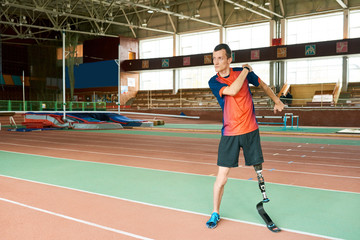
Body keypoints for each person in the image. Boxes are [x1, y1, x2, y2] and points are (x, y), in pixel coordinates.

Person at [206, 43, 285, 229]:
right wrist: (246, 70)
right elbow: (232, 91)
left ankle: (264, 197)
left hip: (250, 130)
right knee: (222, 177)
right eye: (214, 58)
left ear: (229, 59)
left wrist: (277, 100)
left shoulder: (241, 72)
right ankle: (215, 212)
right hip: (230, 133)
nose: (216, 62)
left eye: (220, 58)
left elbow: (263, 85)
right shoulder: (214, 81)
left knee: (258, 168)